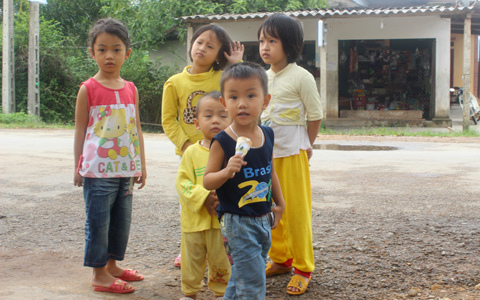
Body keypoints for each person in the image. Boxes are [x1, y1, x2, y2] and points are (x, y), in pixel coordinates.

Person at [73, 18, 146, 294]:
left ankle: (113, 265)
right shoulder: (88, 89)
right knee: (98, 222)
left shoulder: (131, 88)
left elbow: (136, 128)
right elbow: (80, 131)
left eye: (116, 49)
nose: (109, 55)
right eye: (102, 49)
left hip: (126, 169)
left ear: (127, 53)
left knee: (120, 222)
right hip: (97, 171)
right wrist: (77, 166)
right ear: (92, 53)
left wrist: (142, 165)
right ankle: (99, 274)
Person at [162, 24, 244, 268]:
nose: (202, 48)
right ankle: (188, 248)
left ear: (219, 54)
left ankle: (224, 246)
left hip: (221, 152)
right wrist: (187, 146)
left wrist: (235, 65)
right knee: (190, 201)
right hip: (189, 154)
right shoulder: (174, 83)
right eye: (199, 42)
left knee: (222, 199)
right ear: (191, 45)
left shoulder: (221, 78)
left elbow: (238, 91)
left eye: (211, 46)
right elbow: (168, 120)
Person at [203, 62, 286, 300]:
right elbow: (207, 181)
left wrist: (280, 204)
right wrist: (227, 171)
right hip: (237, 222)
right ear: (224, 103)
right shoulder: (222, 141)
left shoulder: (267, 134)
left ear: (265, 100)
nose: (242, 103)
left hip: (262, 218)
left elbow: (271, 172)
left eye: (251, 95)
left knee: (245, 274)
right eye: (234, 96)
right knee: (252, 283)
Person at [257, 13, 323, 296]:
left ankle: (303, 267)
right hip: (265, 157)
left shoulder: (301, 76)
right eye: (262, 40)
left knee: (296, 212)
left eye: (272, 40)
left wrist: (306, 146)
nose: (265, 46)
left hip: (293, 155)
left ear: (291, 44)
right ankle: (280, 259)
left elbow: (316, 115)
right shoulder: (260, 77)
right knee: (269, 208)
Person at [175, 91, 232, 300]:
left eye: (223, 115)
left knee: (222, 259)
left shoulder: (233, 152)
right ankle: (190, 293)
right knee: (192, 259)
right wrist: (204, 197)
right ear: (197, 123)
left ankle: (222, 293)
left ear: (232, 120)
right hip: (194, 220)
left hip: (222, 222)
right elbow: (182, 183)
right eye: (208, 116)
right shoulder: (190, 153)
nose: (215, 120)